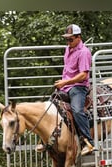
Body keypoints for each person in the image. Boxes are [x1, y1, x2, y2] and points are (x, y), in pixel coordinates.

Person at [36, 24, 95, 156]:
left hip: (79, 87)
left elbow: (83, 75)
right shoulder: (68, 49)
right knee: (50, 107)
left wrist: (65, 82)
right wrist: (63, 83)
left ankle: (88, 142)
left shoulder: (84, 52)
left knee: (77, 110)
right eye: (66, 39)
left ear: (79, 37)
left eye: (70, 39)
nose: (68, 42)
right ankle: (46, 140)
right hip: (66, 86)